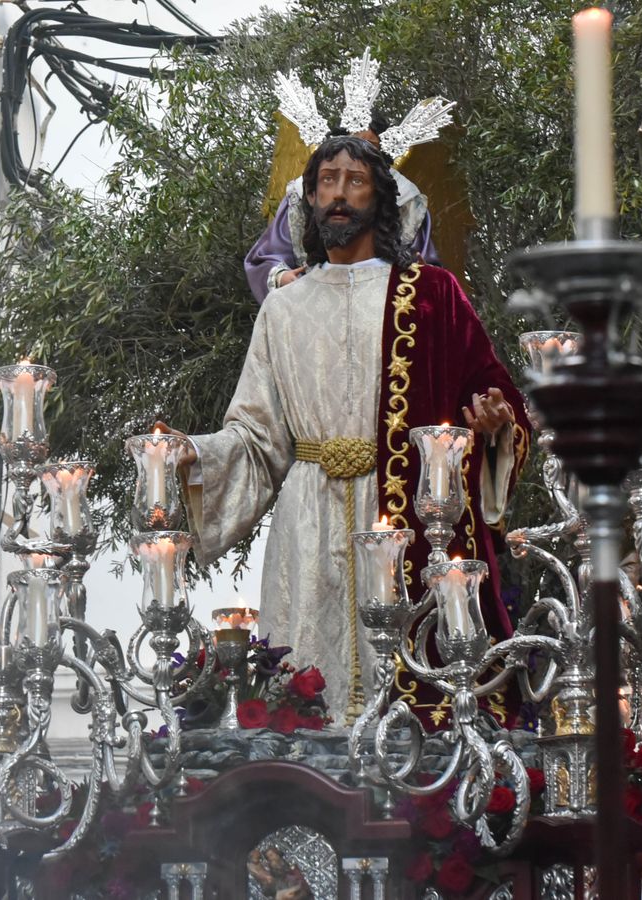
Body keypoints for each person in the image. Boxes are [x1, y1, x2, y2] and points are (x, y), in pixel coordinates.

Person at [165, 134, 532, 724]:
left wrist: (495, 427)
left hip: (406, 520)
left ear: (379, 198)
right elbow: (257, 438)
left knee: (411, 690)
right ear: (308, 199)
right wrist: (197, 456)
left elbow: (494, 399)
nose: (339, 194)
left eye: (354, 181)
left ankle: (420, 800)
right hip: (307, 521)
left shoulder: (434, 296)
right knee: (308, 685)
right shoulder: (282, 308)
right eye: (326, 181)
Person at [244, 112, 440, 302]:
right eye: (352, 142)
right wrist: (282, 277)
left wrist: (418, 280)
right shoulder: (302, 191)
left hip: (382, 303)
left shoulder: (407, 199)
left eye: (368, 147)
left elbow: (425, 271)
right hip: (312, 299)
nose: (339, 193)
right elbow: (270, 254)